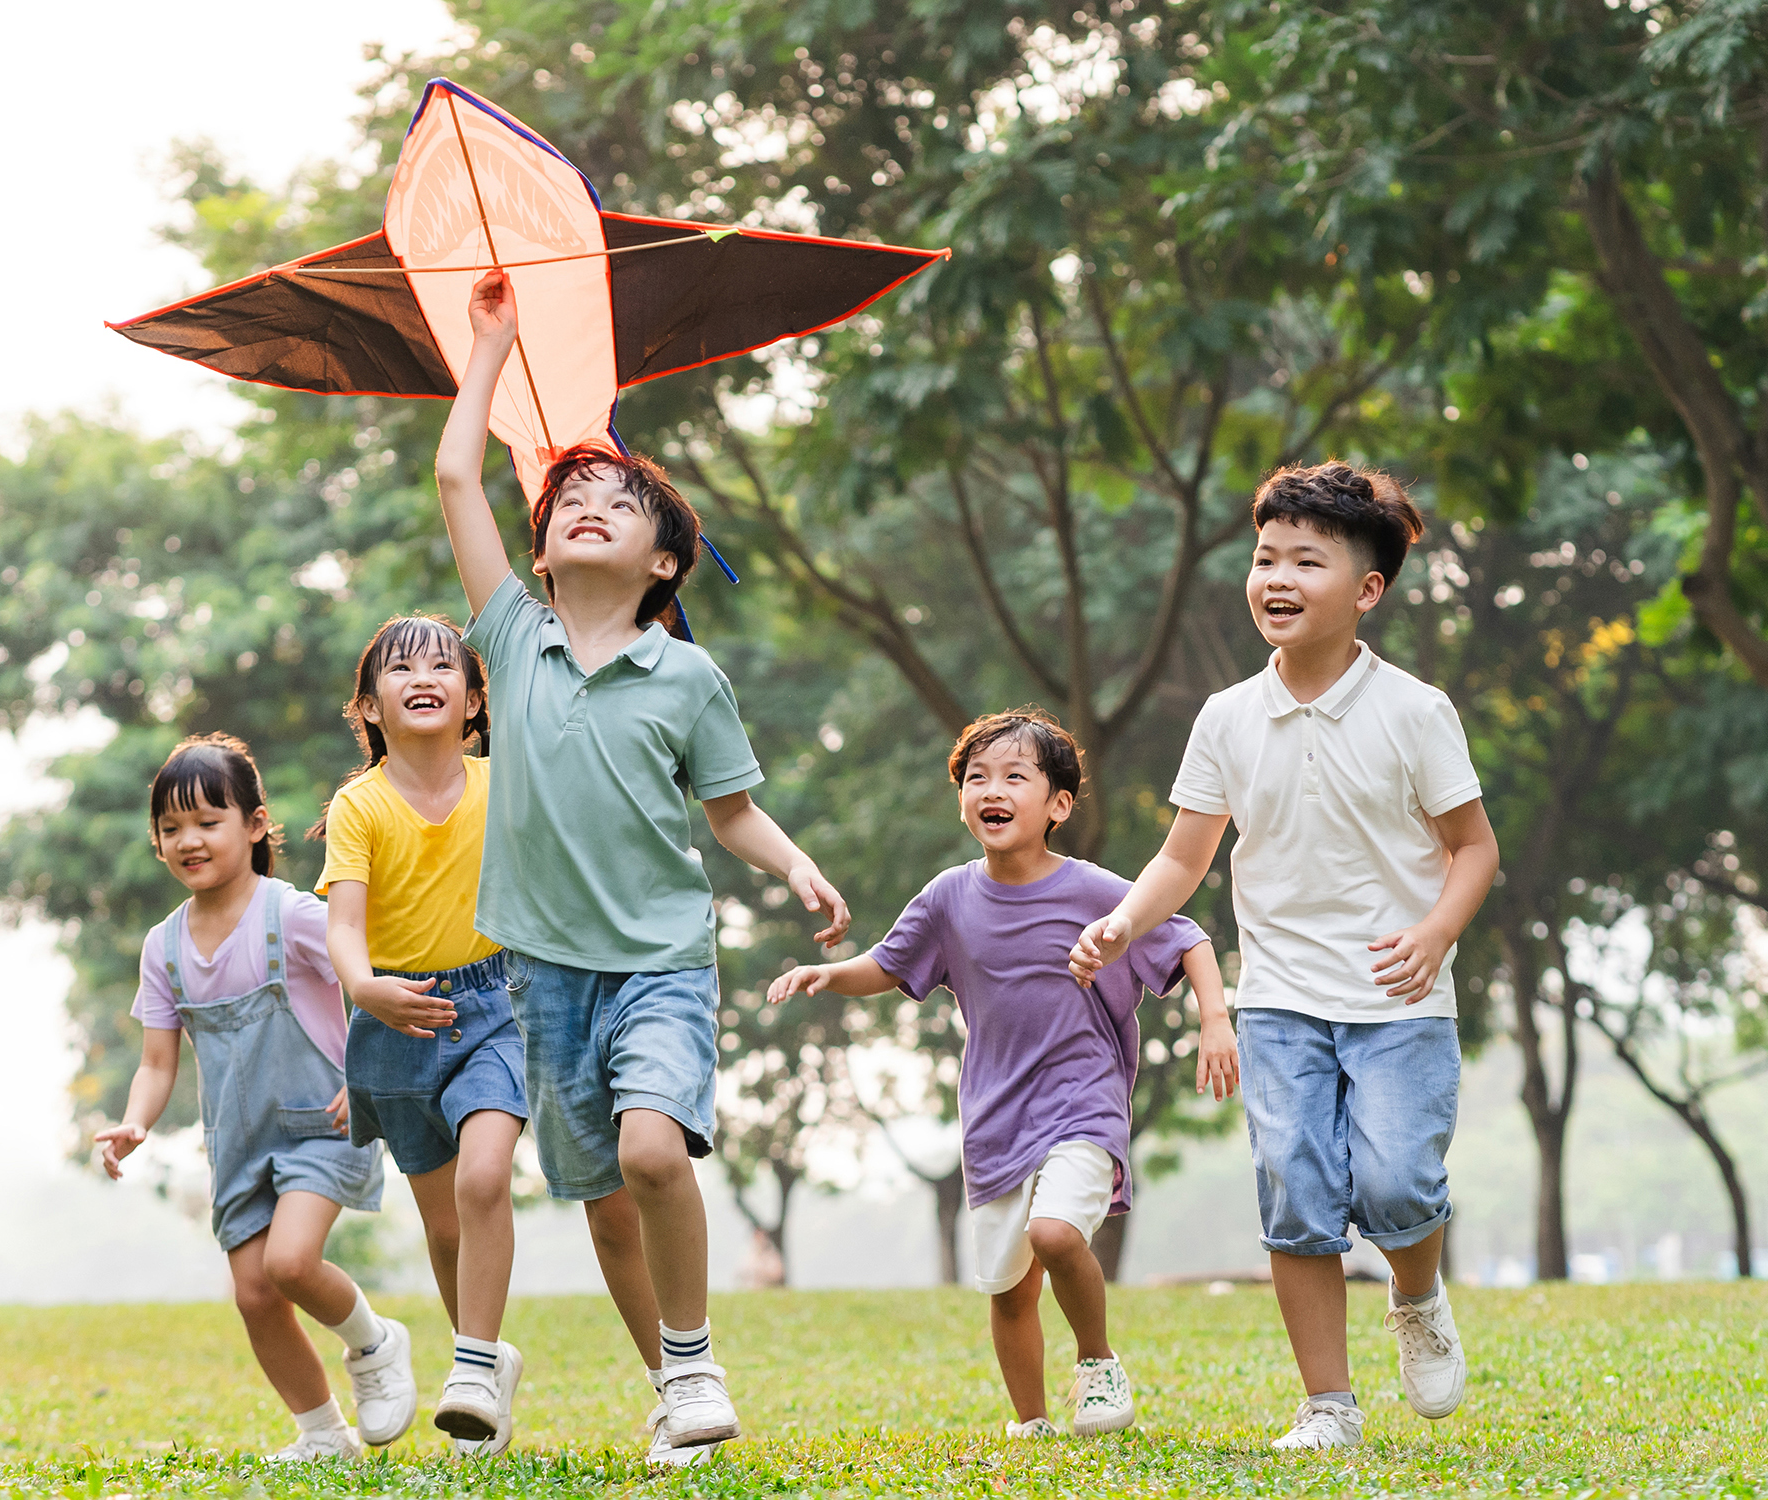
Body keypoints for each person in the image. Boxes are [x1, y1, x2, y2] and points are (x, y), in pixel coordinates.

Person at [433, 268, 852, 1466]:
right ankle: (672, 1392)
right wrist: (492, 350)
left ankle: (694, 1360)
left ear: (666, 563)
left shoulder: (687, 679)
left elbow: (730, 813)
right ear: (544, 550)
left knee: (651, 1150)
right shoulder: (511, 638)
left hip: (660, 959)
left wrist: (797, 866)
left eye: (620, 501)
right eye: (570, 497)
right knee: (605, 1205)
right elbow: (461, 475)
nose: (587, 505)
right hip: (541, 970)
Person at [1070, 461, 1501, 1451]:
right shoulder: (1226, 716)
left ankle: (1417, 1296)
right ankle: (1327, 1406)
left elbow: (1473, 847)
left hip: (1399, 999)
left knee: (1397, 1185)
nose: (1276, 576)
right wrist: (1124, 922)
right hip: (1279, 1001)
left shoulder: (1415, 711)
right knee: (1297, 1194)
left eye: (1307, 560)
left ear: (1365, 591)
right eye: (1266, 557)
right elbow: (1186, 855)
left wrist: (1435, 932)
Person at [767, 708, 1232, 1440]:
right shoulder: (949, 897)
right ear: (962, 801)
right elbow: (887, 966)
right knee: (1009, 1290)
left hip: (1085, 1102)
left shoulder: (1094, 891)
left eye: (1016, 776)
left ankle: (1097, 1360)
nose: (993, 788)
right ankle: (1032, 1424)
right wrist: (828, 974)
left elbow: (1187, 937)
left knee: (1053, 1235)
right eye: (977, 777)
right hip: (994, 1116)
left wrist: (1214, 1020)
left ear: (1058, 805)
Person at [92, 734, 413, 1462]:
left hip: (324, 1125)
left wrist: (366, 1078)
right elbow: (155, 1061)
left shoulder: (292, 916)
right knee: (255, 1295)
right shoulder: (164, 947)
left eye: (208, 821)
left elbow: (371, 979)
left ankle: (375, 1344)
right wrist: (134, 1123)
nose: (188, 841)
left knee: (291, 1264)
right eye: (171, 829)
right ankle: (324, 1434)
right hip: (238, 1140)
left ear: (256, 824)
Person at [312, 615, 529, 1456]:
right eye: (400, 669)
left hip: (494, 1007)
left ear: (475, 699)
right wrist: (364, 987)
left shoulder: (502, 781)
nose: (423, 676)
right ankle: (486, 1368)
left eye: (444, 664)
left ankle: (471, 1363)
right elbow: (344, 924)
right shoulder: (358, 805)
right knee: (443, 1226)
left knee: (484, 1180)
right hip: (393, 1021)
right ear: (370, 706)